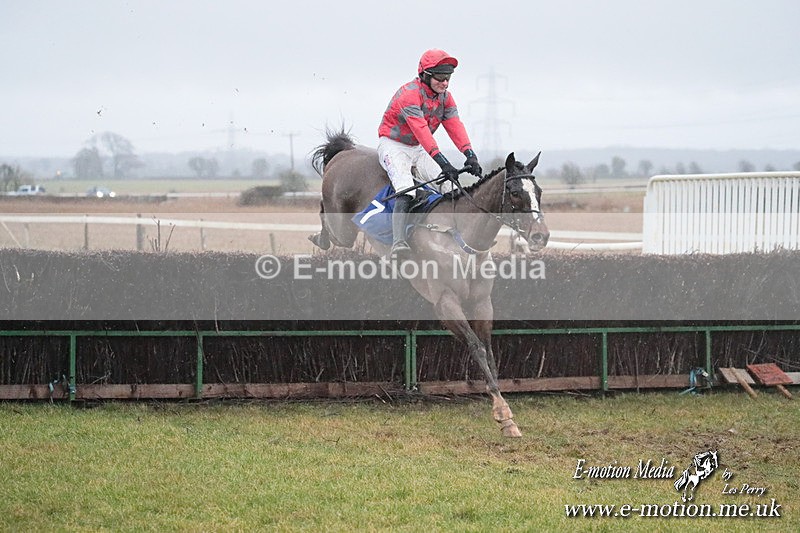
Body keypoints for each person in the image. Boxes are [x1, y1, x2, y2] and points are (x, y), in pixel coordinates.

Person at [377, 48, 482, 256]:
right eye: (440, 78)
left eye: (448, 78)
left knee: (449, 186)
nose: (445, 83)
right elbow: (422, 132)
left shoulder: (446, 98)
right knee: (407, 188)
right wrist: (444, 163)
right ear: (425, 75)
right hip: (394, 144)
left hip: (418, 147)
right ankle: (398, 242)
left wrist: (470, 154)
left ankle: (456, 235)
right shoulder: (409, 95)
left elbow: (454, 125)